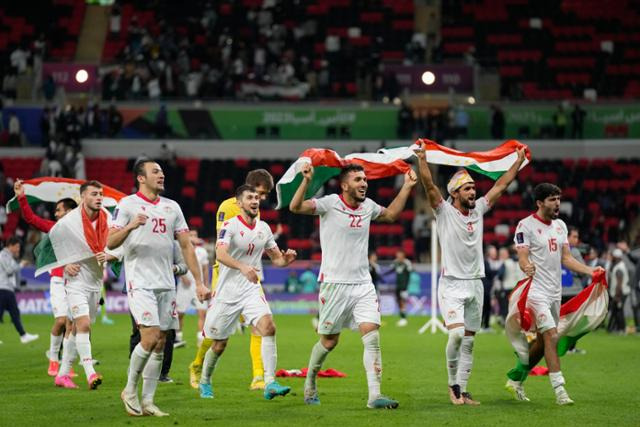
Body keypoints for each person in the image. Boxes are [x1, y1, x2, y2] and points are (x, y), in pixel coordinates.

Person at [290, 162, 417, 409]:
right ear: (345, 184)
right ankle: (310, 380)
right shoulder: (329, 203)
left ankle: (374, 396)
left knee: (371, 334)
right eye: (358, 180)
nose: (364, 184)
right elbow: (295, 207)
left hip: (362, 284)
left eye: (365, 180)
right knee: (329, 341)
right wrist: (305, 181)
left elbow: (391, 215)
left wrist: (407, 186)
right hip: (334, 284)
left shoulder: (368, 206)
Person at [414, 145, 526, 405]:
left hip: (476, 283)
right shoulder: (443, 212)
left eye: (474, 187)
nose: (473, 192)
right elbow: (430, 186)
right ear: (454, 193)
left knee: (469, 341)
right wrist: (422, 160)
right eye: (467, 188)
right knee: (455, 335)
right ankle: (452, 386)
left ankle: (463, 390)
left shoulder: (478, 210)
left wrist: (518, 162)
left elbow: (500, 186)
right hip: (451, 284)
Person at [108, 159, 208, 417]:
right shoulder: (127, 205)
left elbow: (186, 246)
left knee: (162, 342)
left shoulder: (172, 207)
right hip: (140, 282)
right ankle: (130, 389)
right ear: (141, 178)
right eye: (155, 172)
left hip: (166, 282)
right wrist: (130, 226)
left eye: (162, 171)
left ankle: (148, 401)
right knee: (149, 336)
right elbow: (110, 241)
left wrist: (199, 282)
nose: (161, 175)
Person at [506, 183, 604, 405]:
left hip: (554, 292)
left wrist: (590, 270)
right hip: (536, 292)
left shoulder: (560, 226)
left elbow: (566, 258)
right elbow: (522, 255)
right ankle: (560, 390)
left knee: (542, 343)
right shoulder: (526, 225)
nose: (557, 203)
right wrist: (525, 265)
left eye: (558, 198)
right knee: (551, 334)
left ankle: (515, 380)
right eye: (552, 199)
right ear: (540, 203)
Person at [198, 184, 297, 400]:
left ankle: (269, 382)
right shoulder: (229, 226)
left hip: (250, 289)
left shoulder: (264, 228)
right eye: (249, 198)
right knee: (219, 343)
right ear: (239, 203)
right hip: (226, 292)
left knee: (268, 327)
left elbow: (276, 258)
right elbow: (220, 254)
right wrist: (243, 267)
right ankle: (205, 380)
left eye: (256, 197)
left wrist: (285, 261)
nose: (254, 201)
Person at [188, 169, 276, 391]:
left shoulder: (255, 212)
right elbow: (224, 247)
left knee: (261, 326)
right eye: (261, 193)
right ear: (252, 187)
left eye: (263, 196)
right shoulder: (228, 208)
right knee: (217, 334)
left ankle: (259, 377)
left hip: (251, 278)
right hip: (227, 277)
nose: (262, 199)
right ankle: (197, 365)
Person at [53, 181, 116, 390]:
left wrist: (111, 255)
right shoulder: (69, 221)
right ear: (83, 198)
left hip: (95, 281)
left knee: (74, 328)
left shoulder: (107, 216)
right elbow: (52, 243)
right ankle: (90, 373)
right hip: (75, 281)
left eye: (101, 194)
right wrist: (64, 263)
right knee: (84, 325)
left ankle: (62, 375)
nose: (99, 197)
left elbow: (119, 242)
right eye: (94, 194)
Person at [14, 179, 77, 375]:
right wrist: (21, 197)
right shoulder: (54, 228)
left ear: (69, 212)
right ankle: (53, 358)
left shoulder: (82, 230)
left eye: (59, 210)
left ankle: (65, 365)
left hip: (76, 282)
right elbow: (31, 219)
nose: (55, 214)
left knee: (71, 324)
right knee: (60, 321)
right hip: (58, 279)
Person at [128, 239, 189, 383]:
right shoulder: (137, 239)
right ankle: (134, 373)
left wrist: (174, 269)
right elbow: (115, 250)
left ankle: (162, 374)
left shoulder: (173, 244)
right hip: (139, 290)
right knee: (141, 333)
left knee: (165, 335)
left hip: (166, 291)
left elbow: (183, 266)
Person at [0, 237, 39, 344]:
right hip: (3, 288)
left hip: (7, 289)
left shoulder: (8, 256)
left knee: (15, 313)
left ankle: (23, 335)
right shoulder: (3, 255)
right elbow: (9, 271)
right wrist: (20, 265)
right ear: (10, 246)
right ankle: (23, 335)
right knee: (12, 313)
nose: (18, 249)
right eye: (17, 247)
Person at [175, 230, 210, 349]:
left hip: (198, 286)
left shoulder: (202, 252)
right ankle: (178, 338)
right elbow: (177, 265)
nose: (193, 237)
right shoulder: (181, 250)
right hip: (184, 286)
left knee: (202, 312)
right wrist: (183, 276)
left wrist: (206, 283)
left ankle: (201, 339)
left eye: (195, 235)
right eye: (191, 235)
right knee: (180, 313)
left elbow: (205, 269)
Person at [565, 226, 589, 353]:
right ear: (566, 237)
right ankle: (571, 348)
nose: (576, 240)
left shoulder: (555, 250)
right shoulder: (574, 252)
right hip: (573, 291)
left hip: (558, 291)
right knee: (574, 322)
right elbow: (583, 270)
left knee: (558, 322)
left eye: (577, 237)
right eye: (574, 236)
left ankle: (558, 347)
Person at [608, 248, 630, 334]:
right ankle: (616, 328)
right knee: (617, 311)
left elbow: (619, 284)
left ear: (616, 257)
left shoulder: (619, 268)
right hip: (621, 292)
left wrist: (617, 296)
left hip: (620, 293)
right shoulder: (621, 265)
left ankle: (622, 329)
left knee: (619, 311)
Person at [391, 250, 412, 327]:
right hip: (398, 285)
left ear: (403, 255)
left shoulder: (407, 263)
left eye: (400, 255)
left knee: (403, 301)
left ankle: (404, 319)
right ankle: (402, 317)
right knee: (399, 301)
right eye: (397, 255)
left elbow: (409, 274)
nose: (398, 256)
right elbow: (391, 270)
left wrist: (406, 286)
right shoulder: (395, 262)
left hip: (404, 286)